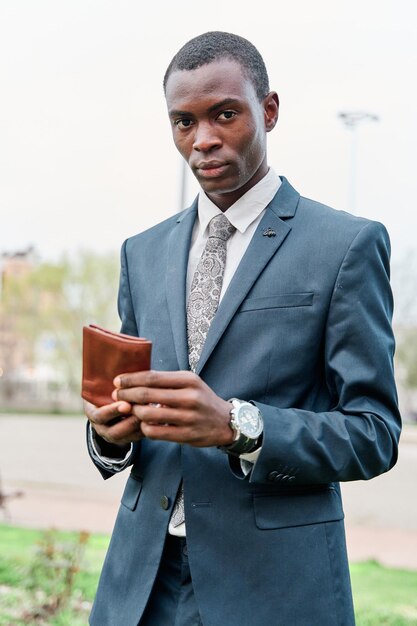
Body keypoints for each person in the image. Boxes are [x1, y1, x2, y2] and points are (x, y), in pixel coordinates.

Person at [84, 31, 401, 626]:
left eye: (224, 115)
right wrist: (110, 435)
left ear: (269, 111)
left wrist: (240, 426)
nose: (203, 139)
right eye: (183, 122)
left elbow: (374, 432)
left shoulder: (345, 246)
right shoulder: (142, 253)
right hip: (140, 583)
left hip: (273, 587)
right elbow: (126, 408)